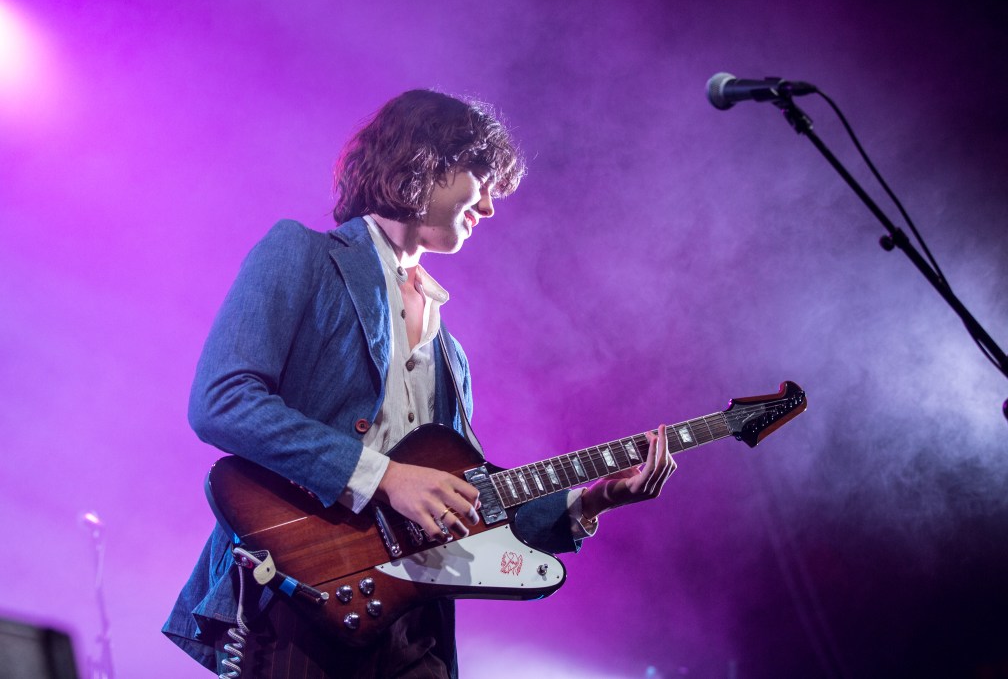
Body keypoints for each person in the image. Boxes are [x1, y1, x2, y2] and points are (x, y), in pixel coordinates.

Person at [162, 89, 677, 678]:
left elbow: (471, 500)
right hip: (295, 600)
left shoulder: (450, 352)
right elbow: (222, 401)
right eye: (482, 178)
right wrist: (386, 477)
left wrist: (592, 499)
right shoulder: (302, 255)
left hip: (411, 628)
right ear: (426, 162)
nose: (490, 206)